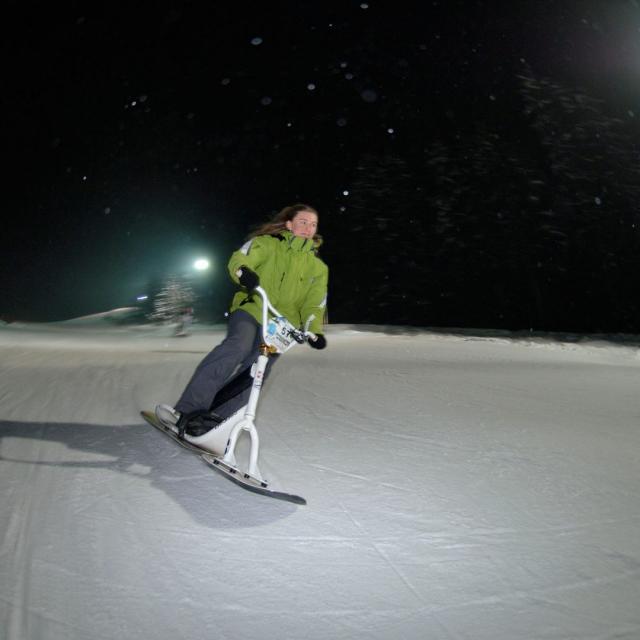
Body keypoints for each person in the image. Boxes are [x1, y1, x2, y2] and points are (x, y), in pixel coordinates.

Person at [156, 203, 328, 434]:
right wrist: (243, 273)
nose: (308, 228)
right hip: (253, 307)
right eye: (303, 222)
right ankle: (188, 410)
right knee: (238, 346)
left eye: (313, 224)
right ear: (289, 224)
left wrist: (313, 330)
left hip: (280, 326)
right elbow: (240, 258)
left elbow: (314, 304)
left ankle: (212, 419)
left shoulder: (318, 268)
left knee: (257, 370)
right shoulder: (267, 244)